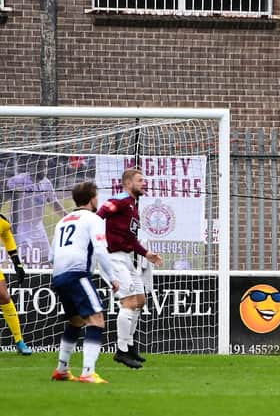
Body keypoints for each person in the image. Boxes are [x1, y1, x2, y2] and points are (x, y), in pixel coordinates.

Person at [50, 182, 120, 383]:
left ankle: (61, 370)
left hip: (59, 276)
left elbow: (51, 255)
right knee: (96, 319)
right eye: (96, 196)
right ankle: (88, 373)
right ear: (92, 198)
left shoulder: (62, 221)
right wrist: (112, 277)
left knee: (76, 321)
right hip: (77, 274)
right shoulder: (94, 218)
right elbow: (100, 249)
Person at [97, 169, 163, 369]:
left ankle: (130, 346)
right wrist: (95, 241)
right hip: (113, 258)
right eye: (140, 180)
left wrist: (146, 254)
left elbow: (131, 239)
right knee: (129, 302)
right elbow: (100, 214)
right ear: (127, 183)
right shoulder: (120, 199)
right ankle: (121, 351)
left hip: (126, 258)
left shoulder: (133, 207)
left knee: (140, 301)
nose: (144, 183)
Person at [7, 158, 66, 265]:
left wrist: (68, 217)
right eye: (40, 167)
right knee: (26, 263)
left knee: (48, 263)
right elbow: (7, 185)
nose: (43, 170)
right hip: (22, 228)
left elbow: (54, 203)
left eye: (45, 166)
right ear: (31, 167)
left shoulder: (46, 183)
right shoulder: (19, 180)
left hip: (38, 228)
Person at [0, 214, 32, 355]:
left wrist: (17, 263)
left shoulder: (2, 221)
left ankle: (19, 341)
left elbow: (7, 237)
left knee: (4, 297)